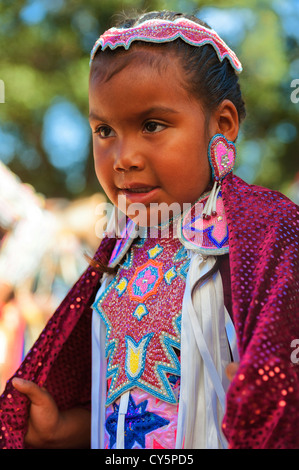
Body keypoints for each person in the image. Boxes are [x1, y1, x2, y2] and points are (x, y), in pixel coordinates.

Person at [0, 10, 298, 450]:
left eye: (152, 125)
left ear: (223, 124)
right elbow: (127, 412)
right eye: (104, 130)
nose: (123, 157)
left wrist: (276, 400)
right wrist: (63, 429)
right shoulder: (115, 256)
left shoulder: (264, 235)